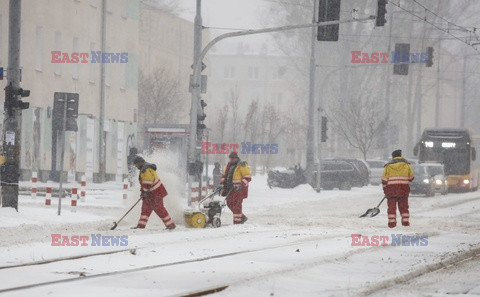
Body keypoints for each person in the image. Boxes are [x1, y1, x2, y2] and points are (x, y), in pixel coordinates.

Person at [132, 156, 175, 230]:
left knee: (159, 209)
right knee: (145, 209)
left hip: (156, 193)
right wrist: (143, 193)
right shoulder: (144, 168)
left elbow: (148, 182)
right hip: (150, 194)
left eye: (136, 165)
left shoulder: (146, 169)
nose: (136, 166)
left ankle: (170, 225)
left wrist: (145, 192)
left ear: (140, 163)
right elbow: (144, 184)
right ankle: (141, 225)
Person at [382, 149, 414, 228]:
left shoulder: (388, 166)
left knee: (391, 207)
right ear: (400, 155)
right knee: (404, 207)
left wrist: (385, 190)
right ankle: (405, 222)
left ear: (393, 157)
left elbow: (384, 180)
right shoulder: (407, 165)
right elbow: (411, 178)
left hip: (391, 190)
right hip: (403, 189)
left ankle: (392, 223)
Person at [220, 152, 252, 224]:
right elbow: (224, 175)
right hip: (230, 189)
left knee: (237, 205)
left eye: (232, 158)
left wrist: (241, 184)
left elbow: (248, 177)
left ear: (236, 158)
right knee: (229, 203)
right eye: (230, 158)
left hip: (239, 190)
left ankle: (237, 223)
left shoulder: (242, 165)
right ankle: (242, 217)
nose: (231, 160)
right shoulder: (229, 165)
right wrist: (222, 184)